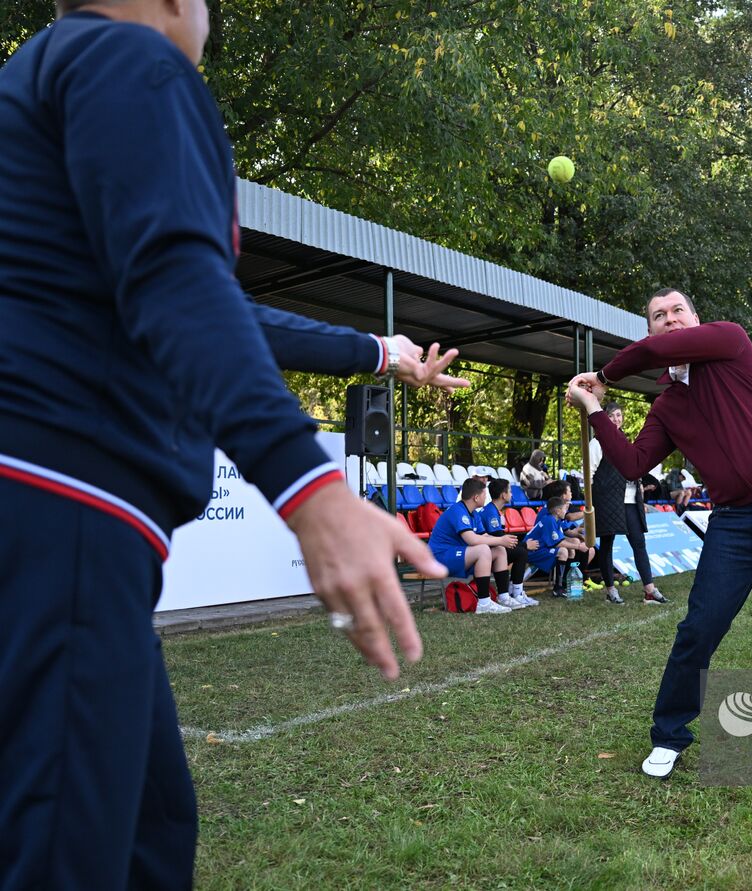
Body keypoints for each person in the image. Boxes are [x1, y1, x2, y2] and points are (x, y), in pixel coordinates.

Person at [0, 3, 472, 886]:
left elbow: (208, 305)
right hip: (62, 509)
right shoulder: (125, 57)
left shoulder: (41, 75)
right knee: (63, 852)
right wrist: (313, 489)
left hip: (48, 518)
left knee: (151, 824)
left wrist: (380, 352)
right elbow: (178, 281)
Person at [567, 287, 752, 782]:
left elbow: (654, 353)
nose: (670, 319)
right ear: (650, 327)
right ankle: (669, 737)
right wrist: (595, 411)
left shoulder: (729, 341)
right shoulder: (666, 406)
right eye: (659, 316)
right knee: (698, 631)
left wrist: (604, 376)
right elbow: (635, 462)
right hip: (731, 523)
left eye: (678, 310)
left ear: (696, 319)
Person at [589, 401, 668, 605]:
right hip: (608, 500)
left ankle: (649, 590)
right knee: (607, 544)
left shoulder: (625, 442)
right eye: (612, 416)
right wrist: (592, 503)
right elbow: (588, 475)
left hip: (631, 500)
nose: (616, 419)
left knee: (639, 543)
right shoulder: (597, 443)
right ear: (604, 419)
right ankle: (610, 591)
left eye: (619, 415)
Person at [428, 480, 520, 613]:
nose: (486, 498)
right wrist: (500, 539)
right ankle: (484, 603)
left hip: (456, 554)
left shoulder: (474, 513)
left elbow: (484, 535)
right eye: (484, 494)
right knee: (483, 550)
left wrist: (502, 541)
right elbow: (471, 539)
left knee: (499, 550)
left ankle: (504, 597)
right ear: (476, 497)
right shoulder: (457, 511)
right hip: (440, 557)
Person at [479, 478, 541, 607]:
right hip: (487, 552)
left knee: (520, 551)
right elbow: (498, 538)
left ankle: (516, 591)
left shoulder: (496, 510)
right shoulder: (491, 511)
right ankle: (516, 593)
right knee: (521, 552)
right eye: (510, 491)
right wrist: (524, 545)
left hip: (493, 548)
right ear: (503, 495)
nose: (512, 494)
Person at [524, 496, 592, 596]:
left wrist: (578, 538)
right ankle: (558, 587)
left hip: (540, 548)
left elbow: (561, 539)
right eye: (565, 508)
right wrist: (578, 546)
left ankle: (564, 584)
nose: (567, 511)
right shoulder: (549, 520)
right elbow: (557, 543)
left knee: (568, 550)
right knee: (563, 551)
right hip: (532, 550)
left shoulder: (556, 520)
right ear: (558, 511)